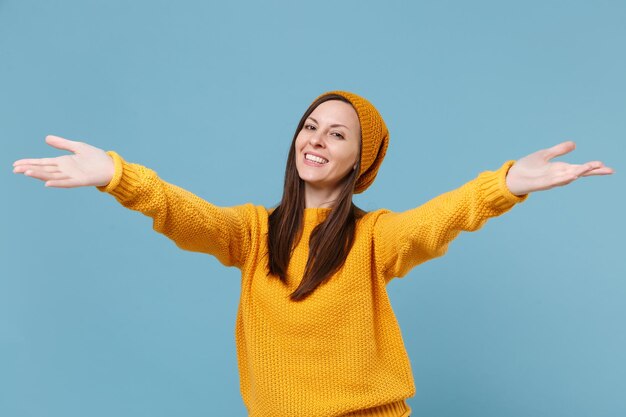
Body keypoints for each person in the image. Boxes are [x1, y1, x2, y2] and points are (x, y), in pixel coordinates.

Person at [12, 91, 614, 417]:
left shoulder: (374, 236)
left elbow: (442, 218)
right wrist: (117, 175)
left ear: (361, 161)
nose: (317, 139)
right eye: (310, 125)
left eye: (337, 133)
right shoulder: (251, 233)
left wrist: (505, 183)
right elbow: (180, 211)